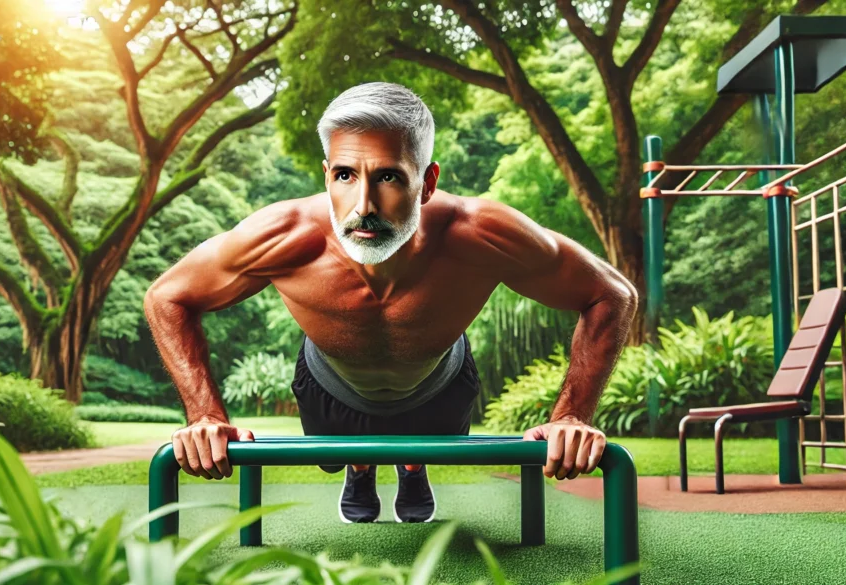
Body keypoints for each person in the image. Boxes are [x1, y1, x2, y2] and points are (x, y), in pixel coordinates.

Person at [144, 81, 638, 524]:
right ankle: (358, 468)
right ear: (326, 176)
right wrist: (204, 415)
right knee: (336, 456)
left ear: (427, 182)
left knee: (430, 446)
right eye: (344, 176)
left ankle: (412, 463)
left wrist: (572, 414)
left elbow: (610, 294)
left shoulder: (479, 234)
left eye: (388, 177)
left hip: (439, 384)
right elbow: (168, 296)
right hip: (328, 384)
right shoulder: (283, 237)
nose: (363, 206)